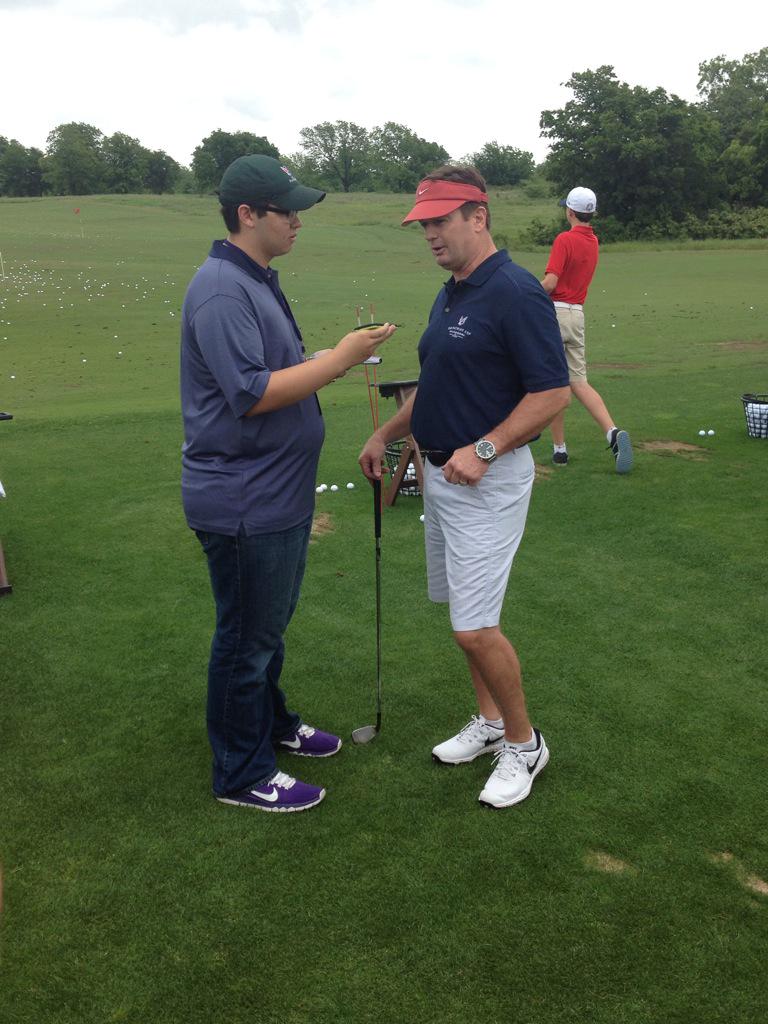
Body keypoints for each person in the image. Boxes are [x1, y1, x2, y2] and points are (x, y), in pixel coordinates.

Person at [181, 155, 395, 813]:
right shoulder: (221, 289)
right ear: (249, 215)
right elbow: (251, 394)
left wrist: (329, 358)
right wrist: (339, 360)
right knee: (246, 639)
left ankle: (271, 725)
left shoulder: (256, 279)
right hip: (245, 499)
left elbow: (273, 369)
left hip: (276, 494)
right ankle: (241, 773)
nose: (298, 221)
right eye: (287, 210)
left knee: (264, 630)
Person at [359, 166, 570, 809]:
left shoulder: (515, 291)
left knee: (475, 628)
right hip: (441, 474)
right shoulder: (452, 290)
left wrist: (485, 448)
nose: (430, 235)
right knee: (462, 617)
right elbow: (437, 387)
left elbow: (552, 392)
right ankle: (488, 724)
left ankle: (524, 743)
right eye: (423, 224)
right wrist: (389, 434)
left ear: (478, 216)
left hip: (486, 480)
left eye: (441, 221)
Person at [541, 186, 633, 472]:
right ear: (591, 213)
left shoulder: (564, 239)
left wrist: (526, 291)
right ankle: (612, 432)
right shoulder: (594, 241)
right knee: (578, 382)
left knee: (555, 384)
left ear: (570, 211)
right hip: (577, 316)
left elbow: (551, 283)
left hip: (554, 314)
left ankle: (559, 449)